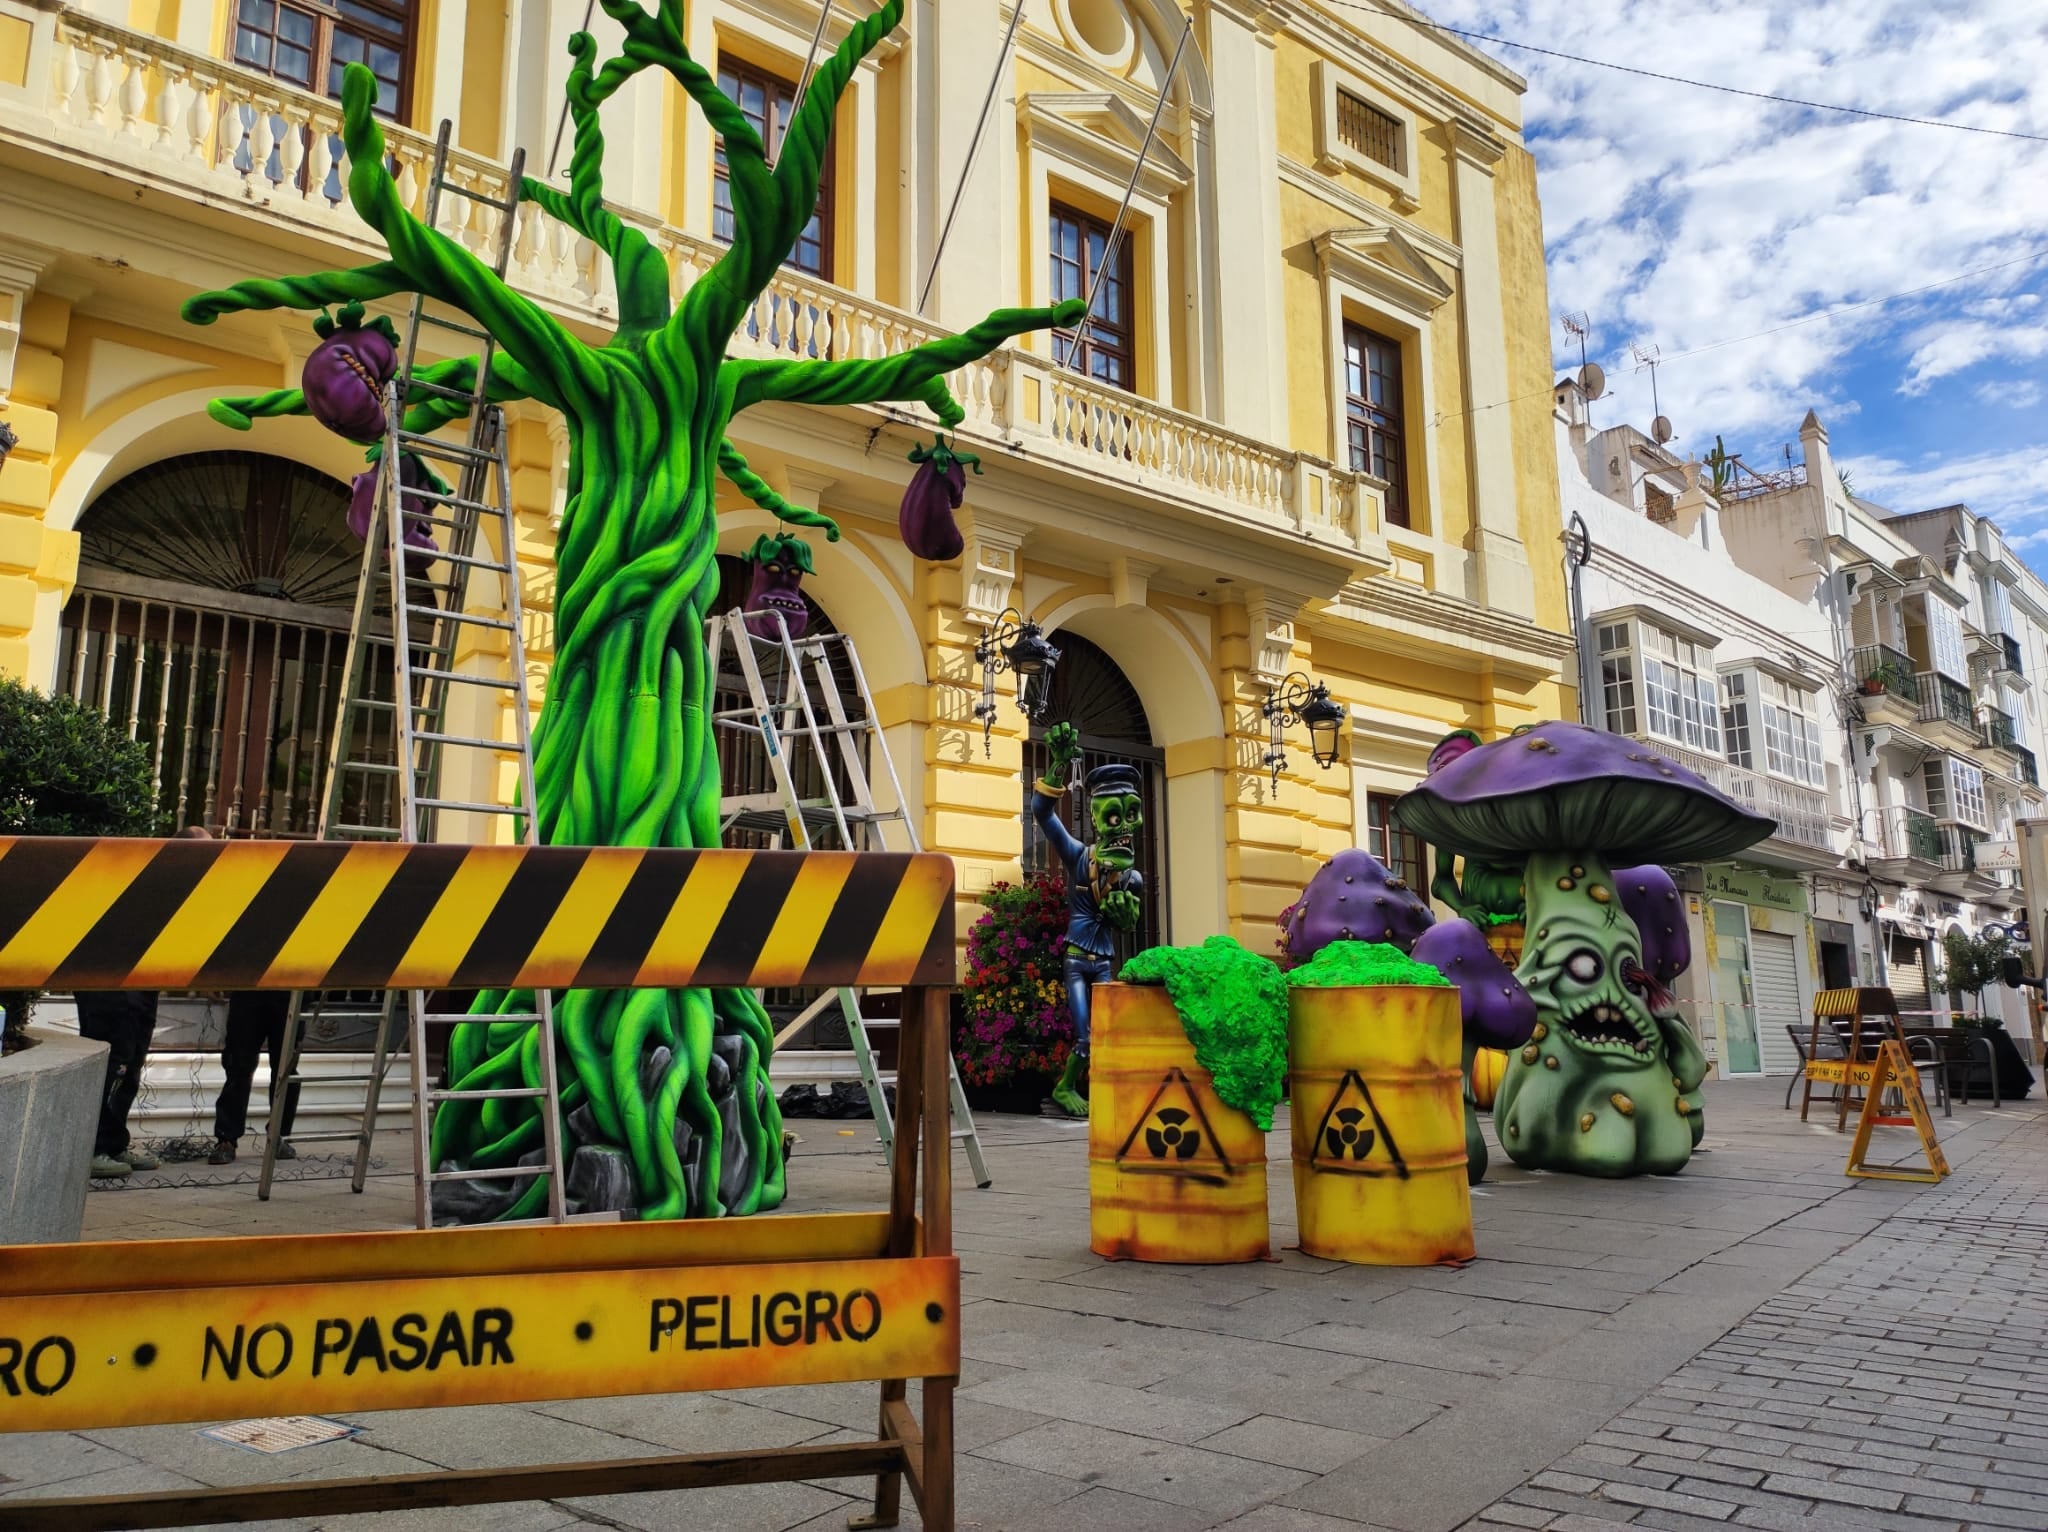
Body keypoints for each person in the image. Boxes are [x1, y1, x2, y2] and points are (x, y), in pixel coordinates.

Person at [76, 823, 214, 1179]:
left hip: (141, 981)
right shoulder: (148, 875)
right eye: (206, 854)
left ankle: (114, 1143)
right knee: (114, 1065)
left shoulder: (185, 886)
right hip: (108, 980)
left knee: (132, 1064)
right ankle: (94, 1149)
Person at [209, 989, 303, 1165]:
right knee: (237, 1067)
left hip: (290, 991)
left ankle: (278, 1136)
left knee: (286, 1070)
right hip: (249, 987)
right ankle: (226, 1139)